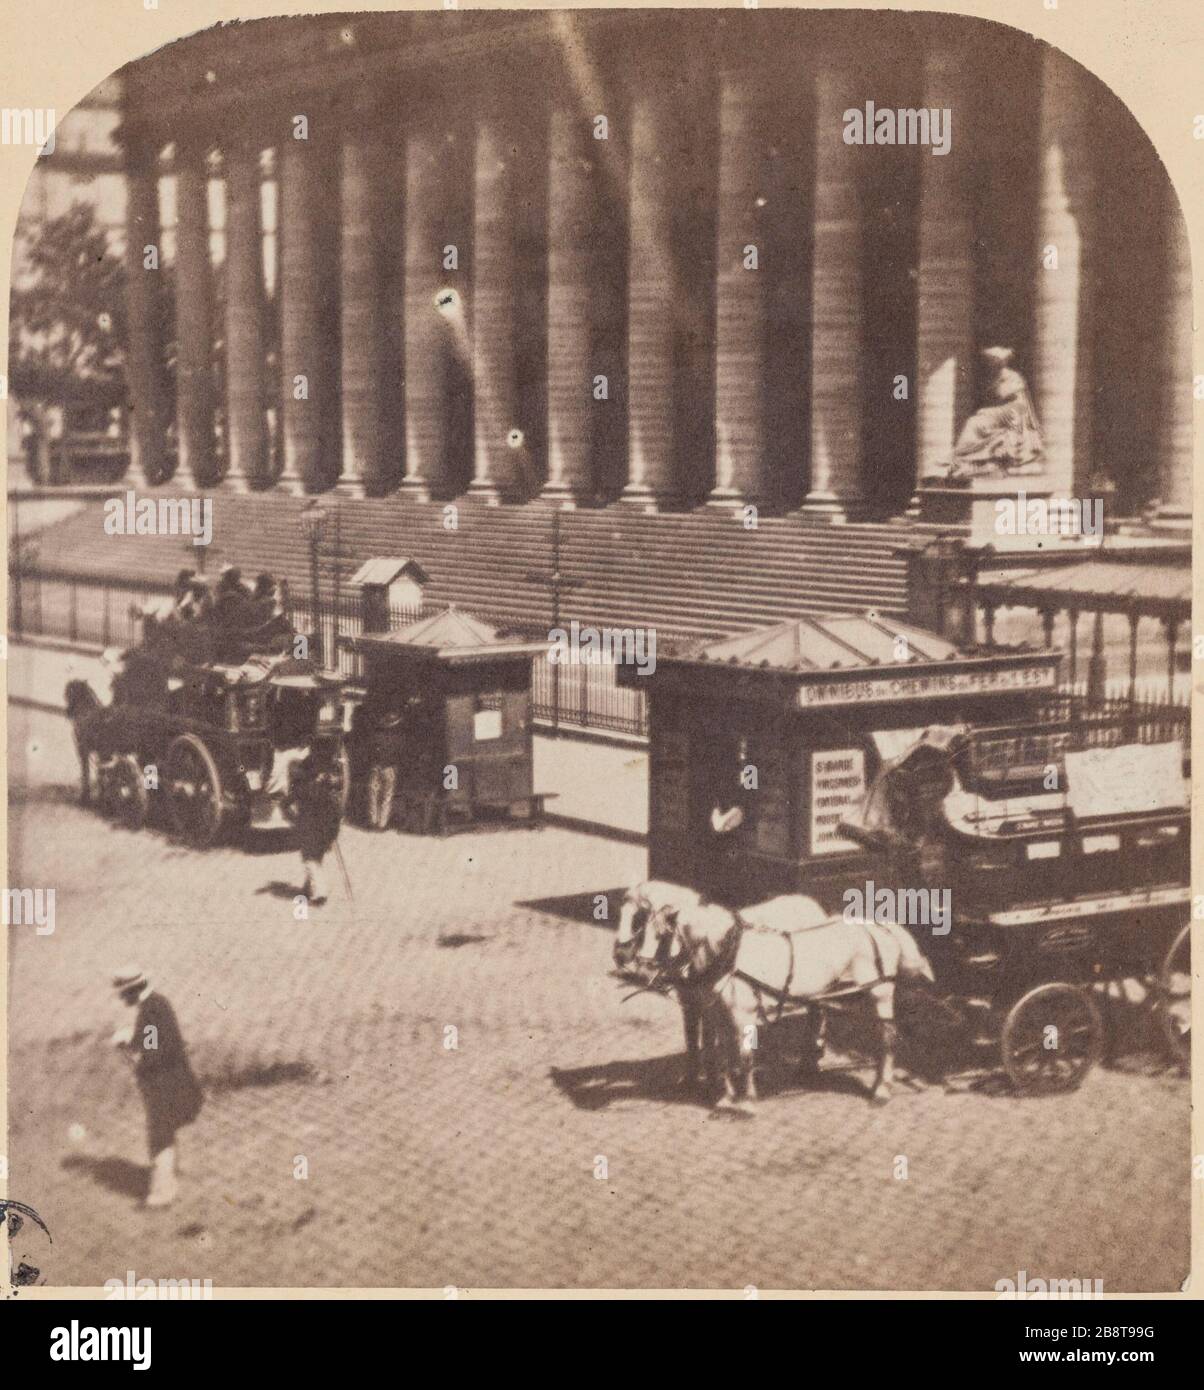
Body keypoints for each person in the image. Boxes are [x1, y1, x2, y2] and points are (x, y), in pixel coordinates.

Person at [110, 967, 203, 1208]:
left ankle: (162, 1194)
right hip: (173, 1081)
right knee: (165, 1131)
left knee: (159, 1135)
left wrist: (126, 1046)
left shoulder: (150, 1009)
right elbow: (153, 1042)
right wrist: (132, 1039)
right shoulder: (157, 1004)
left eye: (123, 994)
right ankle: (170, 1177)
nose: (122, 1000)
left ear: (133, 990)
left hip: (164, 1085)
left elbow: (152, 1052)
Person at [951, 346, 1044, 476]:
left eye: (992, 360)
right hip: (1004, 411)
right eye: (990, 360)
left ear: (1000, 361)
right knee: (975, 421)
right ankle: (964, 456)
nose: (990, 363)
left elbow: (1004, 394)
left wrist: (989, 408)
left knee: (975, 422)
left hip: (1014, 411)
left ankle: (962, 454)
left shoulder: (1013, 376)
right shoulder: (996, 376)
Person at [291, 742, 343, 905]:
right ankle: (308, 888)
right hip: (326, 829)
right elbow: (336, 813)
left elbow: (286, 803)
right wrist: (334, 831)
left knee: (309, 859)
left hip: (310, 828)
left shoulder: (303, 788)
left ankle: (320, 891)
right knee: (316, 858)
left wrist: (292, 818)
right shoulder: (329, 792)